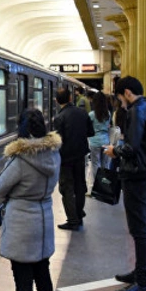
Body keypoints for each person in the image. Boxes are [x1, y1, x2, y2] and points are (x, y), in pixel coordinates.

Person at [0, 108, 60, 291]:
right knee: (43, 275)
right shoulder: (54, 154)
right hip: (44, 220)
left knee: (23, 280)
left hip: (22, 224)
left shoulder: (20, 160)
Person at [104, 76, 146, 291]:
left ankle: (142, 282)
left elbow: (130, 148)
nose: (121, 104)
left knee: (139, 230)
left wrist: (115, 151)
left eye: (121, 99)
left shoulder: (134, 112)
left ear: (127, 93)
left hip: (135, 177)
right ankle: (140, 273)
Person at [53, 86, 93, 230]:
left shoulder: (59, 118)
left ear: (57, 101)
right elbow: (91, 132)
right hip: (80, 156)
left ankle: (73, 220)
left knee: (67, 188)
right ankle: (79, 214)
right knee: (80, 185)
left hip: (65, 159)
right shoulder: (82, 113)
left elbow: (57, 140)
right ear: (71, 98)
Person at [87, 90, 113, 174]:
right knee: (105, 164)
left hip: (94, 142)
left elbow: (88, 127)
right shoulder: (108, 114)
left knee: (95, 165)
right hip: (105, 141)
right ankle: (104, 184)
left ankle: (97, 184)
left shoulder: (91, 114)